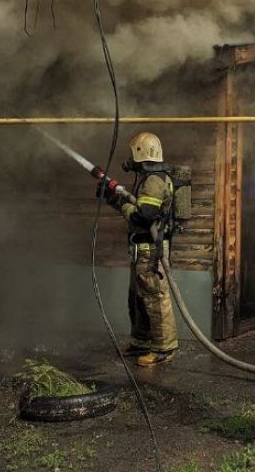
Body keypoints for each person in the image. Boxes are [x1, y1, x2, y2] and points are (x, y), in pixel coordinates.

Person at [102, 132, 179, 367]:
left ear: (140, 153)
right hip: (141, 250)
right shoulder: (148, 179)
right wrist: (116, 197)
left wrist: (118, 203)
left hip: (151, 252)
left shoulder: (155, 180)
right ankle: (141, 341)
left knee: (155, 299)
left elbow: (143, 216)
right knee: (137, 298)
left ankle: (164, 348)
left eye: (132, 153)